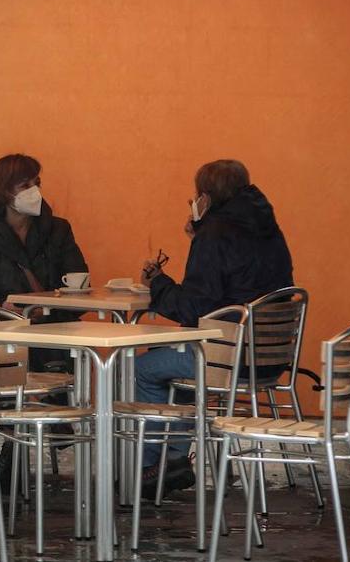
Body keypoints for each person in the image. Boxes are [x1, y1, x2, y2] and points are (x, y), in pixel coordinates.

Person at [135, 158, 293, 496]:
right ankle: (173, 459)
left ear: (205, 197)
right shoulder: (269, 228)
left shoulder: (216, 233)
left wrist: (158, 282)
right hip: (268, 357)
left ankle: (152, 467)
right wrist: (200, 235)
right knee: (173, 358)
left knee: (141, 368)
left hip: (227, 356)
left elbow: (195, 308)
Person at [0, 153, 88, 372]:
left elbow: (80, 283)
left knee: (67, 348)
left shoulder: (59, 230)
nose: (34, 191)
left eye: (37, 183)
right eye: (25, 185)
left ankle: (59, 401)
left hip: (54, 327)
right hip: (3, 332)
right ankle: (7, 402)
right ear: (4, 192)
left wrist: (48, 308)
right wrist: (0, 305)